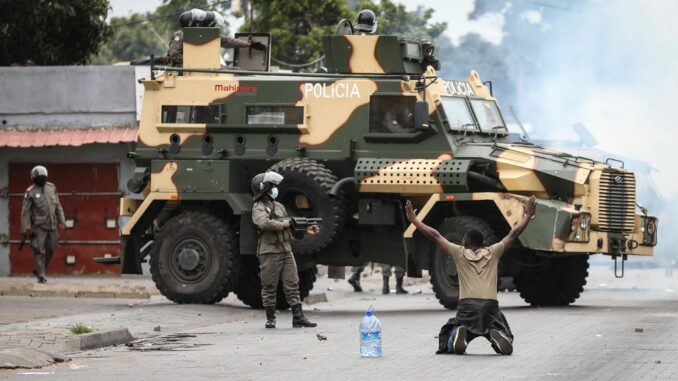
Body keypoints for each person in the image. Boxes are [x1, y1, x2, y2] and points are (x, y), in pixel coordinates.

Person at [405, 196, 537, 355]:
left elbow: (435, 235)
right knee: (499, 327)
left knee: (450, 330)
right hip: (490, 306)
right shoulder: (493, 252)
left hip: (467, 306)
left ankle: (460, 334)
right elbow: (513, 234)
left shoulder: (460, 253)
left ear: (466, 244)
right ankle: (497, 334)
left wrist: (414, 220)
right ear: (482, 244)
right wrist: (528, 215)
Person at [251, 171, 320, 329]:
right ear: (264, 188)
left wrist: (304, 230)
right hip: (269, 251)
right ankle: (270, 318)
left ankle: (298, 317)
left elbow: (289, 228)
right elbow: (264, 224)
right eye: (273, 186)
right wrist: (285, 224)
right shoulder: (258, 207)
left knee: (292, 283)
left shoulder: (280, 206)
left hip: (285, 250)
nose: (275, 189)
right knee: (269, 286)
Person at [167, 8, 266, 67]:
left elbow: (228, 42)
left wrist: (249, 44)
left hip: (200, 68)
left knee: (235, 71)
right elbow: (174, 54)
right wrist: (197, 62)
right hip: (180, 69)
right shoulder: (180, 36)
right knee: (228, 72)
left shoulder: (204, 35)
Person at [20, 166, 65, 284]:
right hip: (38, 227)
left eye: (42, 176)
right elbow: (25, 212)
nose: (41, 178)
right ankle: (41, 275)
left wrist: (62, 220)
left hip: (51, 225)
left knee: (52, 247)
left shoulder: (51, 188)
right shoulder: (30, 192)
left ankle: (39, 270)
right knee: (39, 251)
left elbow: (58, 206)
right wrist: (26, 228)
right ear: (33, 178)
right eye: (38, 177)